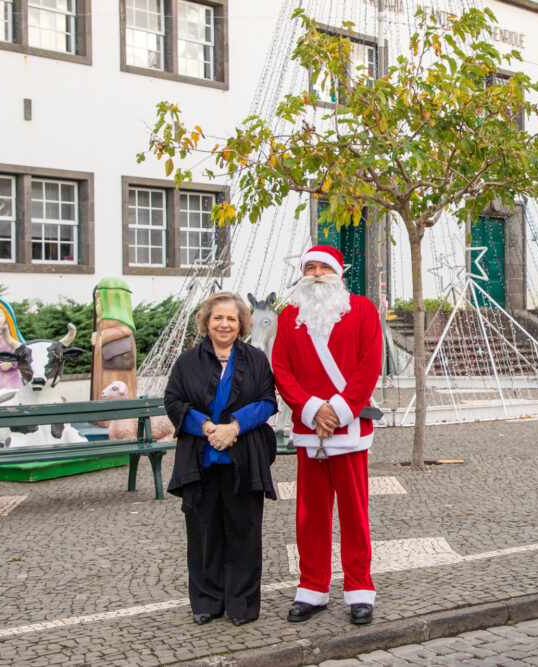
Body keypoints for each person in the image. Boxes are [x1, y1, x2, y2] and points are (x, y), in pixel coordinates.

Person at [271, 245, 382, 626]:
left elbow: (370, 363)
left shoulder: (363, 310)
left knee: (355, 514)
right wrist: (312, 409)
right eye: (310, 267)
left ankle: (359, 591)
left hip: (348, 428)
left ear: (338, 272)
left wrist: (338, 409)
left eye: (323, 267)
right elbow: (281, 369)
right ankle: (312, 589)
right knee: (310, 516)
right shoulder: (289, 317)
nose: (317, 274)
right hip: (309, 428)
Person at [164, 292, 278, 627]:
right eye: (218, 318)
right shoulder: (187, 361)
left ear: (242, 323)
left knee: (244, 534)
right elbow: (172, 400)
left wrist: (235, 427)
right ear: (206, 322)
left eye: (231, 319)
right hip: (200, 460)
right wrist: (204, 426)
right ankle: (206, 602)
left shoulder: (256, 360)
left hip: (243, 460)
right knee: (203, 534)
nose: (224, 324)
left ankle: (241, 604)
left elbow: (267, 401)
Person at [91, 278, 137, 401]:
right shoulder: (103, 321)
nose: (97, 307)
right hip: (106, 362)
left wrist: (102, 337)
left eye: (100, 302)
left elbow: (125, 331)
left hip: (114, 366)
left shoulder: (118, 320)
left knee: (113, 385)